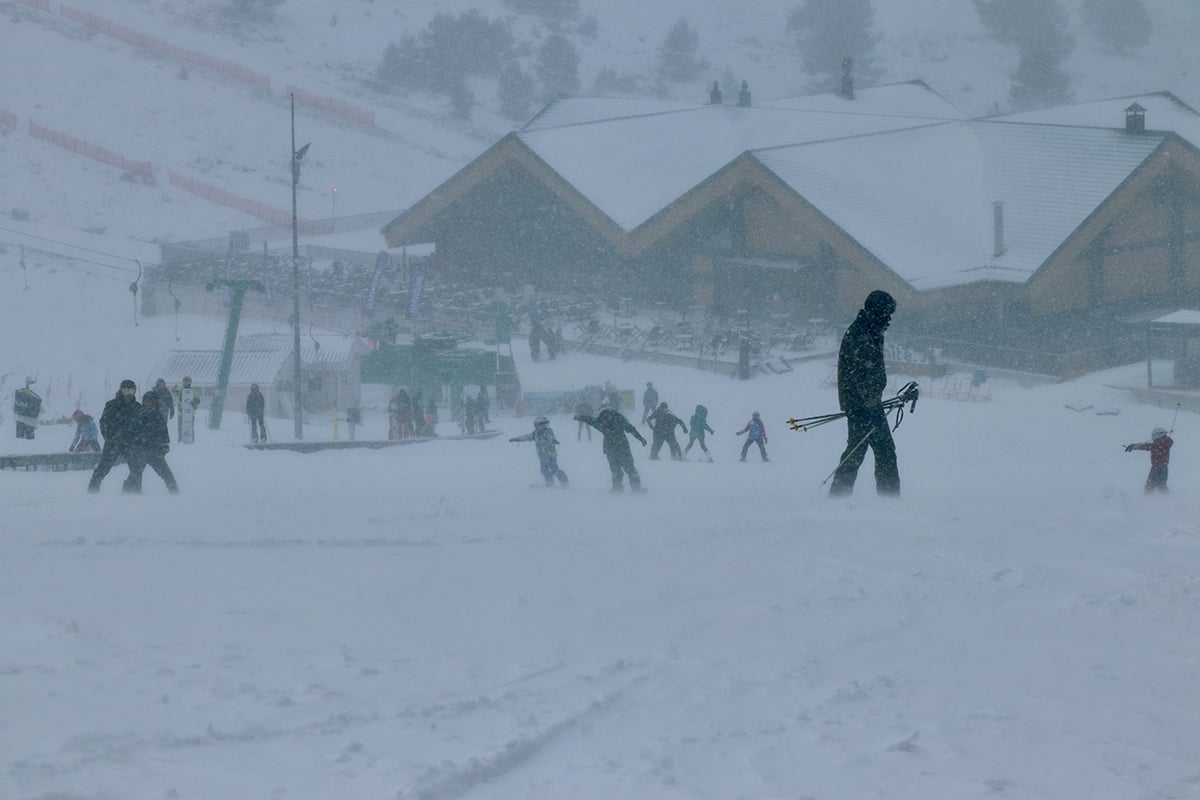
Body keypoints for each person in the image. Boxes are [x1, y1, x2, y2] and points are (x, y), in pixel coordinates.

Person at [828, 290, 899, 496]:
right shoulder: (862, 334)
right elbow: (859, 373)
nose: (889, 319)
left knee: (859, 450)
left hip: (864, 402)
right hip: (861, 404)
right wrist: (869, 401)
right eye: (887, 313)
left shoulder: (870, 330)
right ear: (877, 312)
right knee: (878, 451)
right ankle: (889, 499)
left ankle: (839, 495)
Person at [575, 400, 648, 493]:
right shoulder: (620, 417)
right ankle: (636, 487)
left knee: (615, 469)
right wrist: (641, 439)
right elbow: (630, 428)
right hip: (623, 446)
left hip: (610, 448)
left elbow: (590, 419)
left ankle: (617, 488)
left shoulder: (600, 419)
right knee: (630, 468)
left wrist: (580, 417)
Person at [87, 379, 141, 493]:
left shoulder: (137, 407)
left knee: (136, 467)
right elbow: (103, 422)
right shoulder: (112, 405)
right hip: (113, 442)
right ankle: (92, 489)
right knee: (103, 467)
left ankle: (133, 490)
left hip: (130, 443)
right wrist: (109, 437)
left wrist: (137, 439)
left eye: (131, 391)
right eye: (126, 390)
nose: (129, 394)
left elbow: (142, 425)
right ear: (121, 390)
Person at [122, 391, 179, 494]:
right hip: (154, 450)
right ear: (156, 402)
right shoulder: (156, 414)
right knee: (166, 474)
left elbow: (129, 432)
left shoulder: (137, 413)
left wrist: (132, 446)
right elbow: (163, 433)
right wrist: (165, 445)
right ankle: (175, 492)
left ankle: (129, 494)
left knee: (135, 473)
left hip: (138, 450)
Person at [510, 416, 569, 488]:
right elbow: (527, 437)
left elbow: (550, 437)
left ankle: (564, 482)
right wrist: (517, 439)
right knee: (544, 470)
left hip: (551, 455)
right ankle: (550, 483)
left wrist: (553, 440)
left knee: (554, 469)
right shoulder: (536, 433)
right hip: (543, 456)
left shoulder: (548, 431)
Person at [1125, 426, 1174, 494]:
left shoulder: (1158, 444)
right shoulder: (1163, 443)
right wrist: (1134, 446)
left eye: (1153, 436)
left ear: (1158, 435)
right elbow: (1147, 446)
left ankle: (1148, 501)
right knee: (1161, 486)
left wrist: (1133, 446)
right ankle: (1168, 499)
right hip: (1163, 467)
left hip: (1157, 467)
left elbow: (1145, 446)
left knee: (1150, 486)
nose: (1153, 438)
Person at [174, 376, 201, 444]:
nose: (185, 383)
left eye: (187, 381)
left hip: (190, 414)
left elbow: (198, 399)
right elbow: (175, 393)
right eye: (184, 381)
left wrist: (194, 402)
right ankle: (180, 440)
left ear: (190, 382)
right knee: (180, 427)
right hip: (181, 413)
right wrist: (174, 389)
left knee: (190, 427)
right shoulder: (181, 390)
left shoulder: (193, 391)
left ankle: (191, 440)